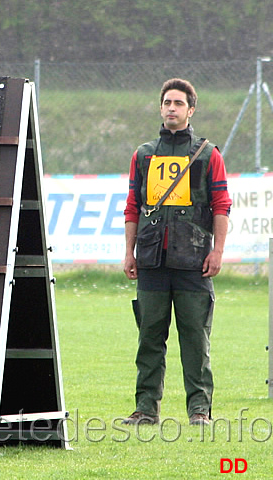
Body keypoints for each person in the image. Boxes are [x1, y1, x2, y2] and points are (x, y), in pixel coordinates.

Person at [122, 78, 232, 426]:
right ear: (160, 107)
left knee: (195, 342)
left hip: (194, 261)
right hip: (153, 259)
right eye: (167, 102)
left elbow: (221, 205)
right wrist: (129, 252)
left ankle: (199, 412)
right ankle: (145, 410)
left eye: (179, 103)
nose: (172, 108)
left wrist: (218, 251)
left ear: (191, 109)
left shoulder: (208, 154)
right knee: (149, 339)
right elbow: (132, 208)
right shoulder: (143, 155)